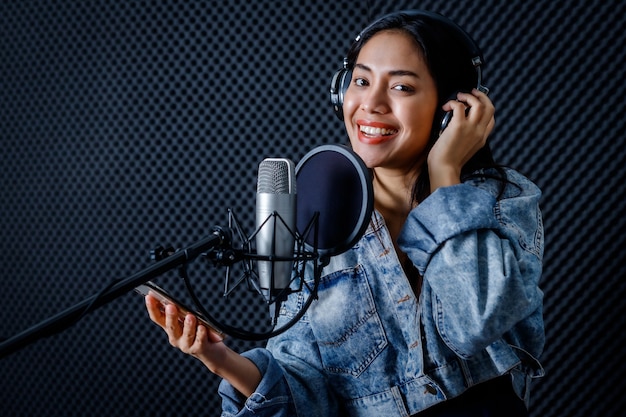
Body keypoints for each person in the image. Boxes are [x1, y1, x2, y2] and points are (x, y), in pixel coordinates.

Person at [144, 10, 545, 417]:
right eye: (361, 81)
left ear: (452, 109)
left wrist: (445, 174)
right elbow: (309, 391)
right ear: (340, 92)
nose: (370, 104)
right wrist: (219, 357)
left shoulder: (500, 200)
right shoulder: (316, 220)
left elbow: (477, 321)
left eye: (402, 86)